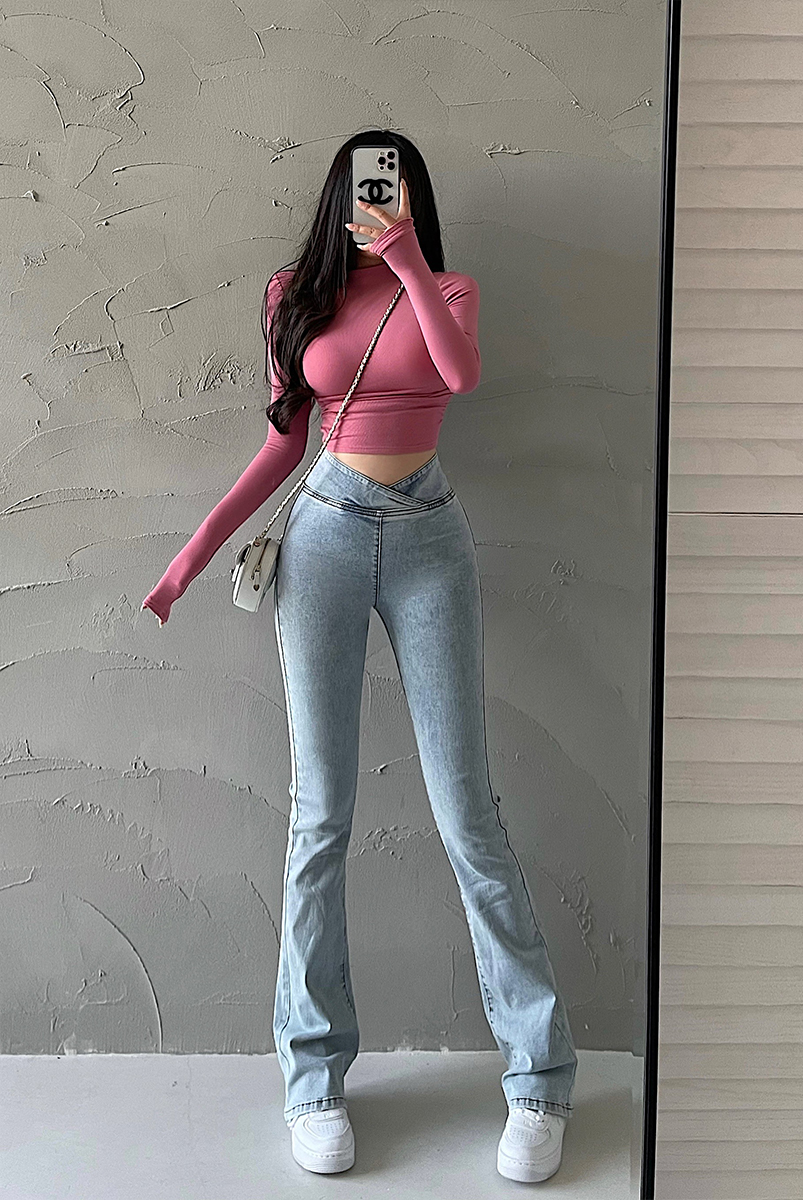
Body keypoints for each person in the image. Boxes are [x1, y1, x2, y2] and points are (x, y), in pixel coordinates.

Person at [142, 130, 577, 1183]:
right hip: (325, 538)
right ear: (341, 191)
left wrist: (407, 261)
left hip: (431, 542)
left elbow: (460, 375)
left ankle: (538, 1080)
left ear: (413, 195)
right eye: (369, 180)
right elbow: (285, 440)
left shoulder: (450, 289)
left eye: (398, 181)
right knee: (320, 815)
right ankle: (313, 1081)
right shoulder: (292, 295)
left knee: (469, 815)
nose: (383, 193)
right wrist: (193, 554)